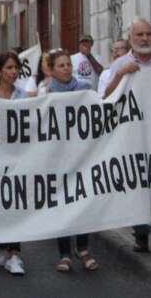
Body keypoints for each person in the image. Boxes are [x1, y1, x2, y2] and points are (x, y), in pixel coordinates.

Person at [104, 18, 151, 257]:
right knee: (137, 183)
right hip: (132, 136)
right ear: (131, 38)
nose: (145, 39)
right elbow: (107, 99)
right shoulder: (121, 64)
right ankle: (141, 233)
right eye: (139, 35)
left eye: (148, 34)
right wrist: (120, 76)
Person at [46, 49, 98, 272]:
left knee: (81, 202)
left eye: (68, 64)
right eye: (61, 65)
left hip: (82, 155)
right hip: (57, 158)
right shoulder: (46, 94)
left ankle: (83, 248)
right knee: (62, 204)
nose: (67, 68)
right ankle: (65, 253)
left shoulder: (85, 90)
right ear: (52, 70)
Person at [0, 51, 28, 275]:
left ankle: (15, 255)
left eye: (16, 68)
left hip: (15, 158)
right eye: (9, 68)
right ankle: (3, 248)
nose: (14, 72)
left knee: (14, 205)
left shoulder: (22, 96)